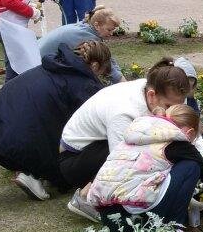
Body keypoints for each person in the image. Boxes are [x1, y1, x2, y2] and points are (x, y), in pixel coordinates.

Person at [0, 40, 111, 200]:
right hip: (18, 143)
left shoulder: (52, 65)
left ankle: (24, 169)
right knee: (69, 162)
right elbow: (92, 122)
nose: (100, 78)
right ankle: (33, 174)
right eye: (102, 73)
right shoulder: (83, 84)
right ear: (95, 66)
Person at [58, 58, 194, 221]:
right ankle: (85, 197)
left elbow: (187, 132)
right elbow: (121, 161)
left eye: (177, 106)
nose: (172, 112)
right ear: (151, 96)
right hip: (76, 158)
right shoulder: (124, 112)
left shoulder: (164, 92)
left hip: (98, 145)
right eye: (168, 106)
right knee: (139, 154)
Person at [88, 104, 203, 232]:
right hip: (136, 220)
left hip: (110, 220)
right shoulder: (180, 144)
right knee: (191, 166)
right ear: (190, 132)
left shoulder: (137, 136)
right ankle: (173, 230)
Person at [37, 6, 123, 83]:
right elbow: (107, 63)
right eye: (109, 30)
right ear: (97, 25)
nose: (111, 33)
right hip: (37, 65)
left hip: (35, 55)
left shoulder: (84, 27)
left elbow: (108, 59)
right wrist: (125, 85)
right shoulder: (88, 38)